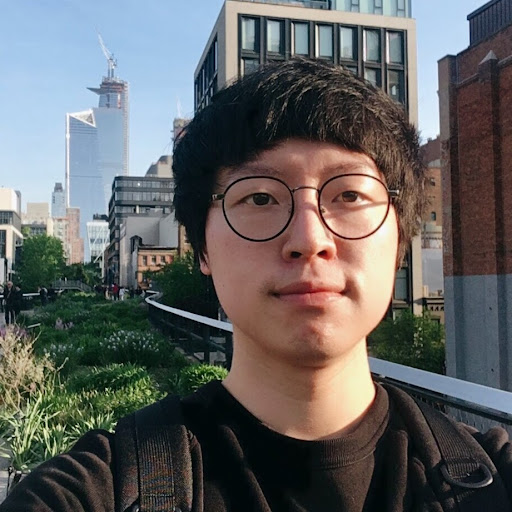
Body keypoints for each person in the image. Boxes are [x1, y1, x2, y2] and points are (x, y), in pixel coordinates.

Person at [2, 60, 511, 511]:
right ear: (202, 248)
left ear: (400, 237)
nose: (309, 239)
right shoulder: (101, 490)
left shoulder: (496, 479)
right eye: (260, 199)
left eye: (350, 195)